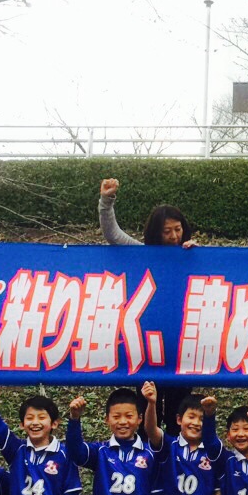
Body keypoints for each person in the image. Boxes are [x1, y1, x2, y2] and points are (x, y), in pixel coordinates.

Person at [97, 178, 196, 435]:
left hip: (180, 346)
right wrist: (106, 201)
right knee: (145, 411)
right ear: (155, 233)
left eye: (178, 229)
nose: (174, 236)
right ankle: (144, 456)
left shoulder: (191, 255)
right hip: (147, 345)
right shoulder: (142, 253)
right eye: (167, 231)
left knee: (178, 415)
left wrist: (198, 256)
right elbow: (113, 234)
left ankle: (174, 456)